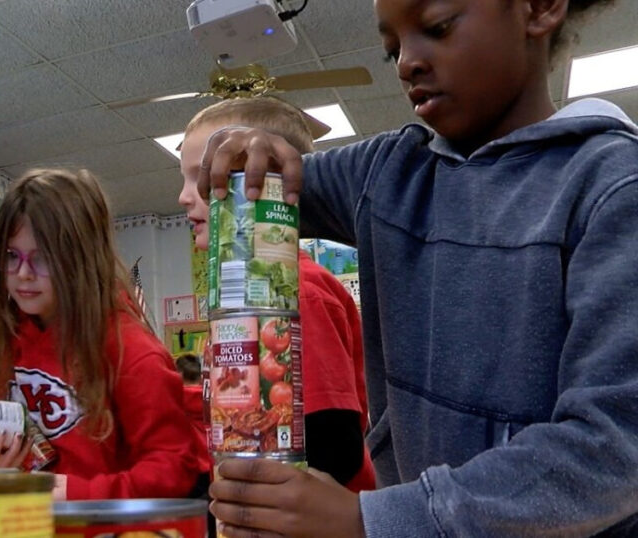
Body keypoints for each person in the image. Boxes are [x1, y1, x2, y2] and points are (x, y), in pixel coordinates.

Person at [199, 0, 638, 536]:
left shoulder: (611, 186)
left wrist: (372, 518)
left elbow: (617, 447)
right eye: (392, 51)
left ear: (539, 9)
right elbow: (272, 177)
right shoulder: (387, 172)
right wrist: (249, 146)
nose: (408, 62)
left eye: (436, 28)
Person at [178, 97, 375, 493]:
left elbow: (334, 442)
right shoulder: (236, 299)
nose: (184, 196)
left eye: (205, 178)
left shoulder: (298, 291)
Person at [0, 168, 205, 500]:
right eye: (11, 256)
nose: (22, 274)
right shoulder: (8, 337)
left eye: (42, 259)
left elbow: (173, 469)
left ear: (80, 260)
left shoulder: (133, 352)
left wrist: (77, 494)